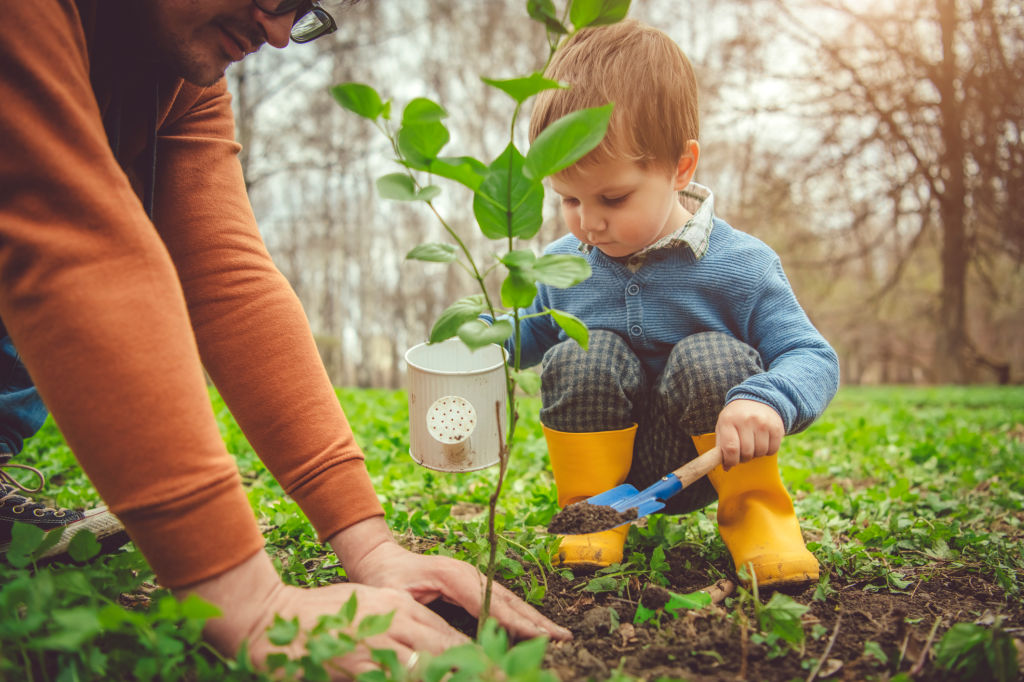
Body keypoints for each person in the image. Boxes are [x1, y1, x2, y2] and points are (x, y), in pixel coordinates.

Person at [0, 0, 570, 674]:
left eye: (302, 10)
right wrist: (245, 596)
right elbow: (70, 243)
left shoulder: (180, 72)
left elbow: (225, 278)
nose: (276, 33)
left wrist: (370, 547)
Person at [514, 19, 840, 587]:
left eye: (612, 197)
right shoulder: (565, 262)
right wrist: (484, 341)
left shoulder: (741, 264)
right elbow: (532, 333)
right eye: (568, 199)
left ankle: (758, 519)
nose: (588, 223)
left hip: (715, 458)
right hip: (612, 464)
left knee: (708, 355)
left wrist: (768, 402)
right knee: (579, 352)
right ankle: (595, 517)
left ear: (680, 168)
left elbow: (812, 356)